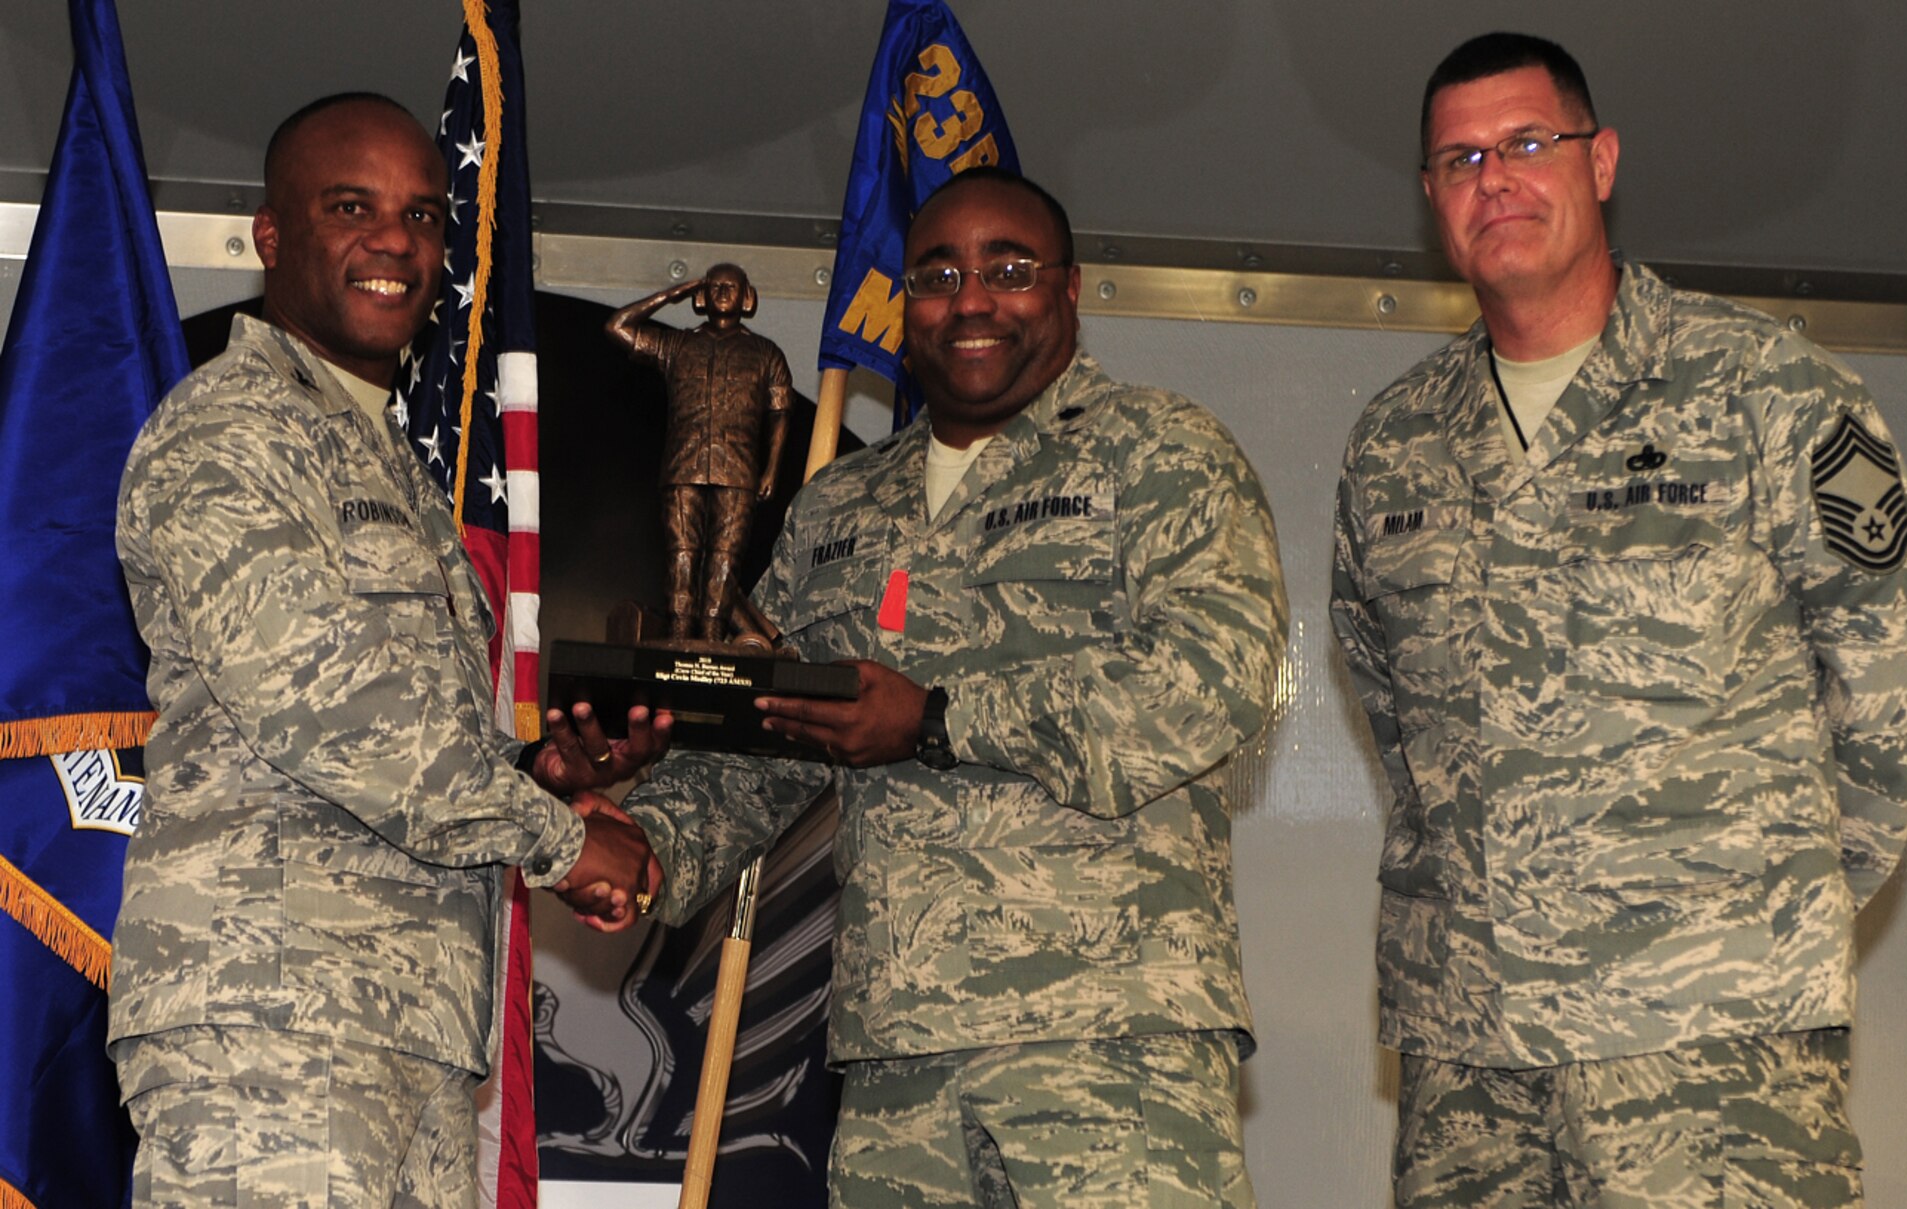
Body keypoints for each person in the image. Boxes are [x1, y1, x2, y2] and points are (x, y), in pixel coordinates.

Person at [1328, 33, 1907, 1208]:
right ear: (1428, 197)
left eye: (1526, 143)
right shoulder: (1393, 442)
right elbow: (1388, 692)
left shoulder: (1765, 385)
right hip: (1467, 1043)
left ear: (1600, 159)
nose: (1493, 180)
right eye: (1458, 159)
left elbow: (1899, 663)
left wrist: (1769, 894)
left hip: (1707, 1032)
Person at [620, 167, 1288, 1207]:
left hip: (1109, 1040)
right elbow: (767, 734)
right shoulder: (837, 501)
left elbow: (1209, 681)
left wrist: (936, 720)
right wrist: (634, 845)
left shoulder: (1161, 450)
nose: (970, 299)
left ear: (1068, 290)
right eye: (936, 275)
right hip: (896, 1058)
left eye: (1008, 270)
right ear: (905, 304)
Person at [108, 93, 666, 1207]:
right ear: (273, 237)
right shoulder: (235, 427)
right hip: (268, 1021)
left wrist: (536, 781)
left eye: (421, 215)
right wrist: (558, 841)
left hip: (401, 1027)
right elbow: (329, 709)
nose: (395, 241)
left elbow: (401, 730)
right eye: (350, 206)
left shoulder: (380, 460)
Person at [605, 263, 792, 641]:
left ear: (748, 296)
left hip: (739, 470)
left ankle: (711, 636)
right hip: (682, 467)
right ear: (701, 296)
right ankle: (678, 634)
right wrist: (669, 295)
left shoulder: (766, 353)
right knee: (682, 553)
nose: (723, 292)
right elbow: (617, 327)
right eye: (715, 286)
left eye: (732, 286)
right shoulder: (677, 344)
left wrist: (771, 469)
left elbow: (780, 414)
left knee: (725, 558)